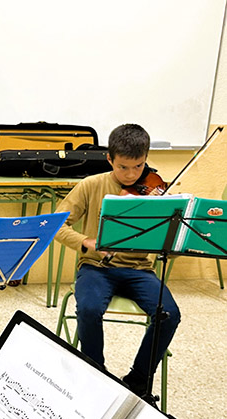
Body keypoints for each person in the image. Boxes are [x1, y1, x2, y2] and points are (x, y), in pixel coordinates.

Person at [54, 123, 181, 396]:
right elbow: (57, 225)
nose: (132, 174)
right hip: (96, 268)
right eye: (123, 167)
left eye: (138, 166)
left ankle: (138, 380)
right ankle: (95, 374)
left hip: (140, 270)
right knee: (88, 309)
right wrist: (86, 242)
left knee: (169, 314)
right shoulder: (91, 185)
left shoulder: (155, 191)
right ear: (109, 158)